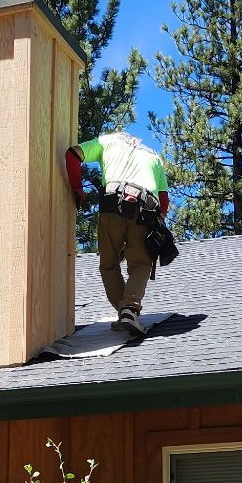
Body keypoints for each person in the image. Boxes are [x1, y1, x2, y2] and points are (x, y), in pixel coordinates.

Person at [64, 128, 171, 340]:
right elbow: (164, 202)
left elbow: (73, 154)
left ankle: (125, 313)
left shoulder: (107, 141)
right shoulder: (152, 156)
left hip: (112, 203)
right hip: (145, 208)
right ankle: (128, 310)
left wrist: (77, 189)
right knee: (141, 264)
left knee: (109, 263)